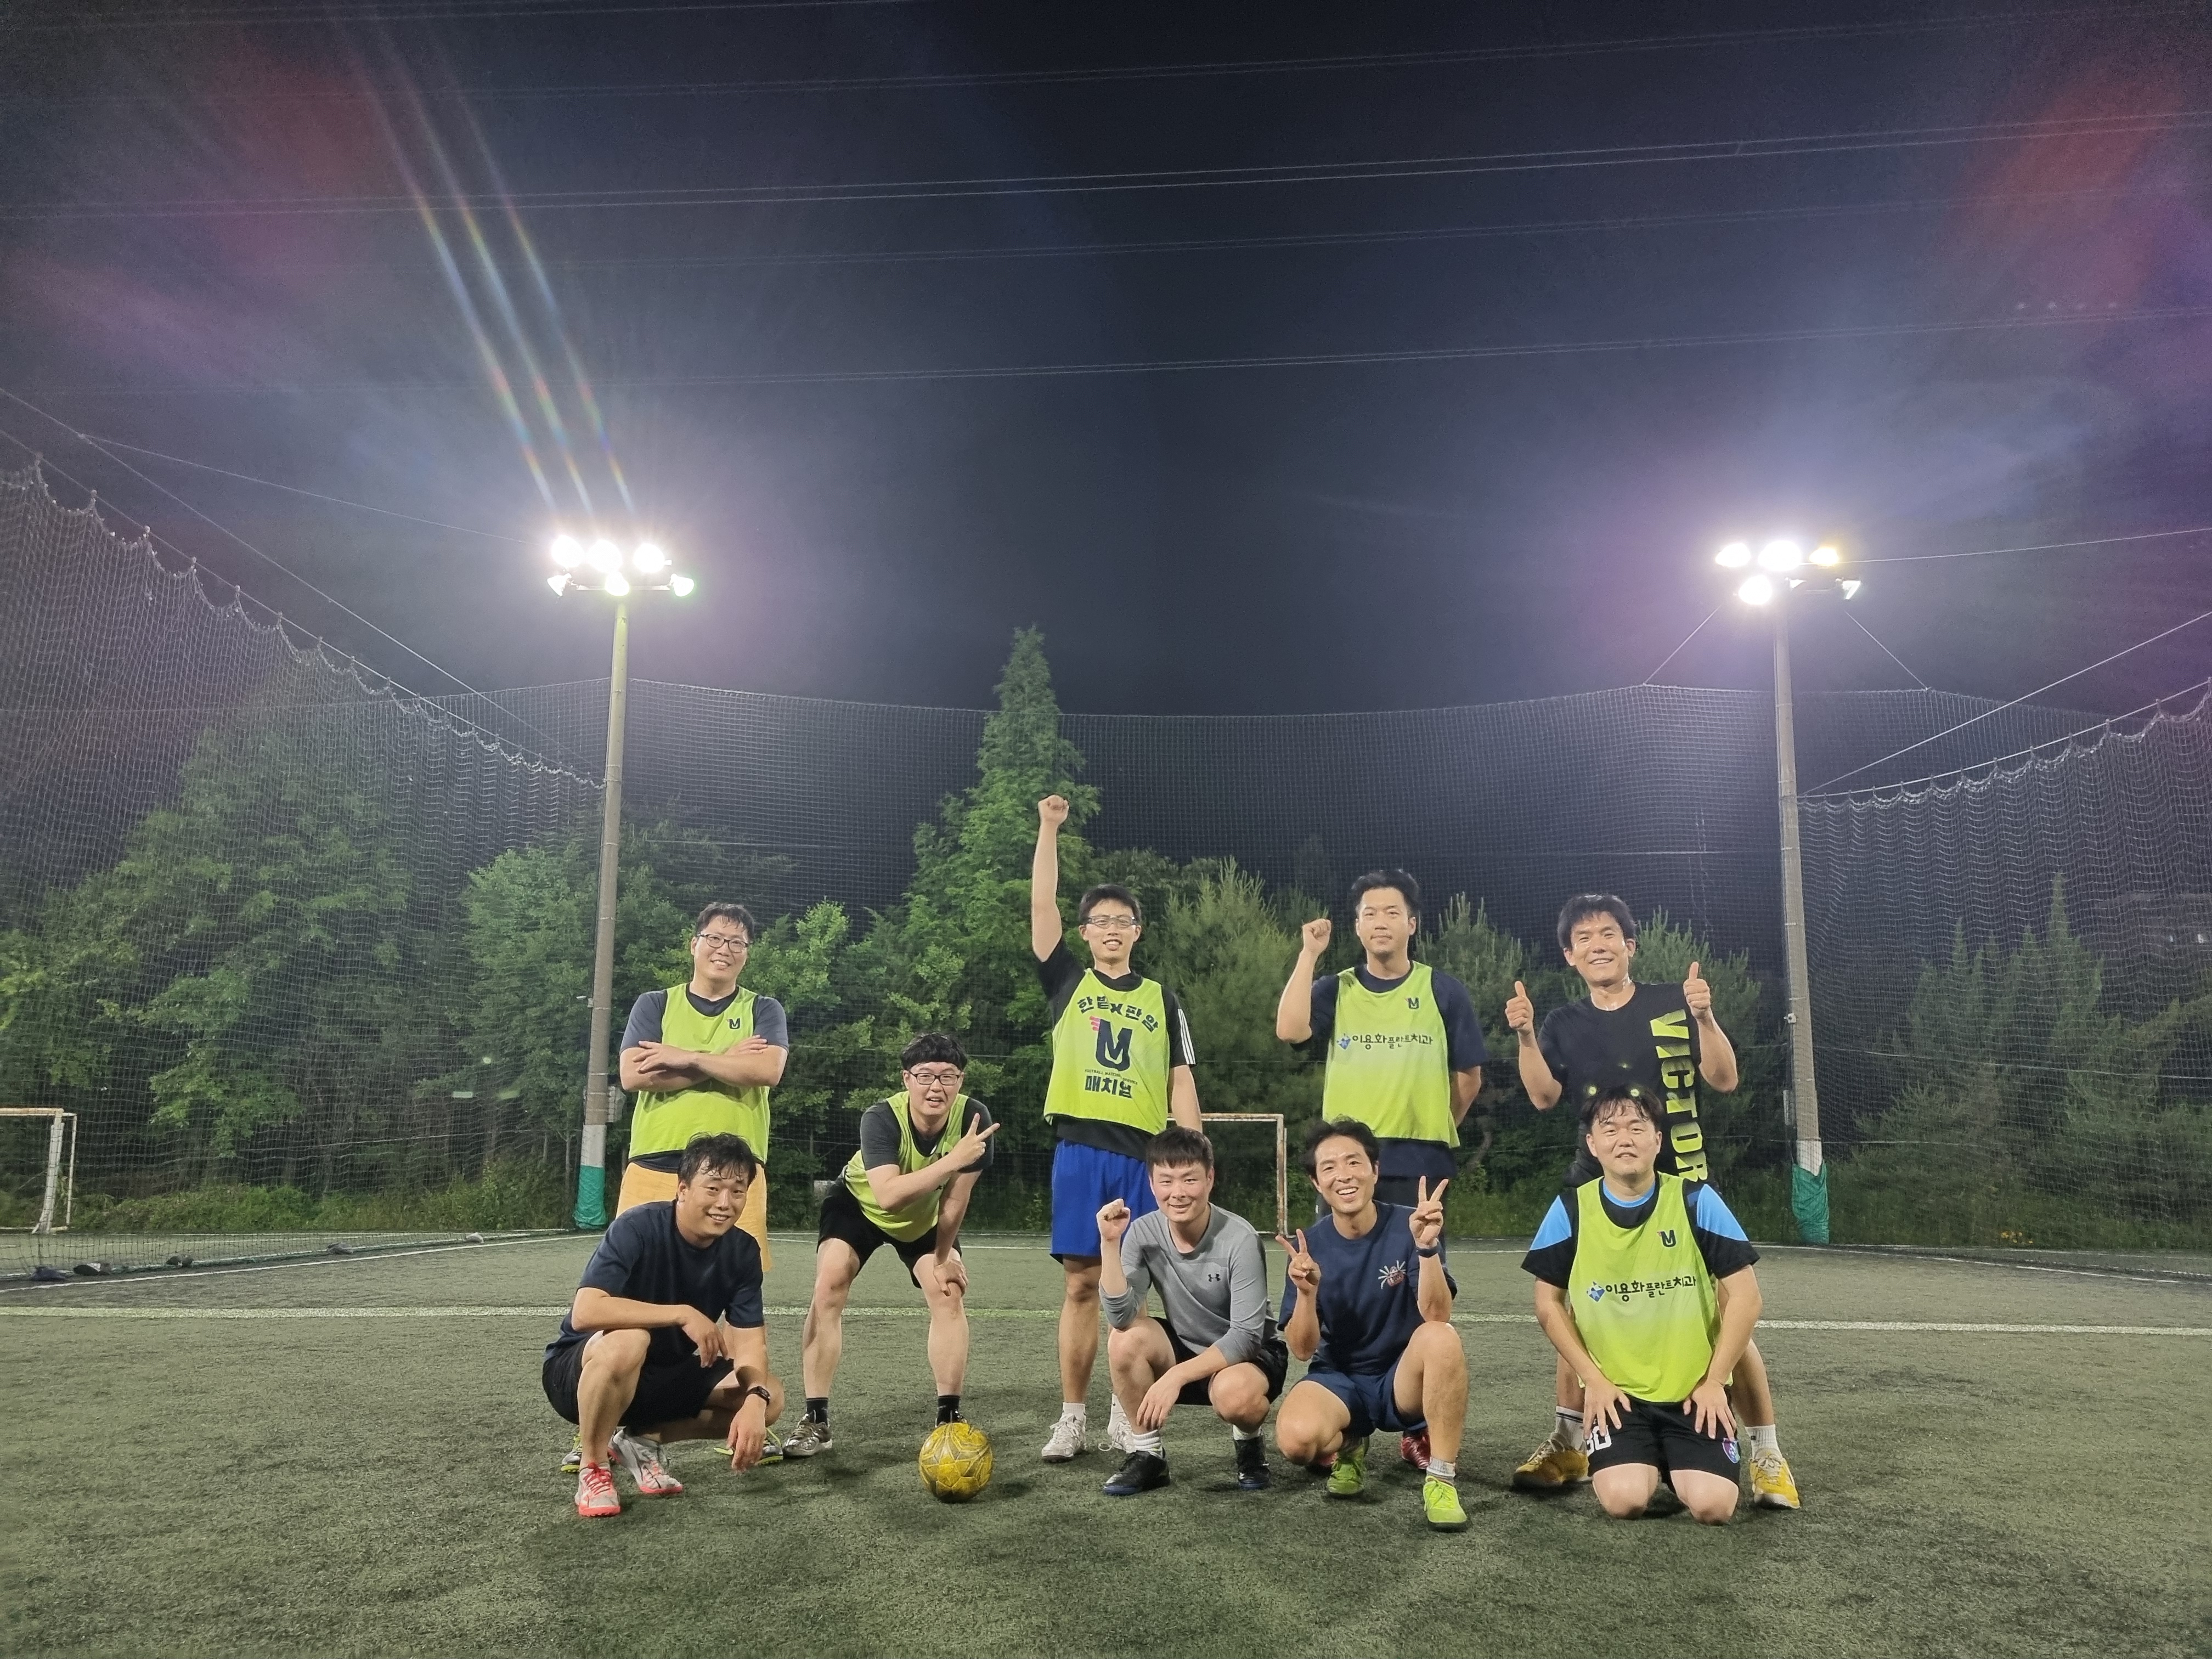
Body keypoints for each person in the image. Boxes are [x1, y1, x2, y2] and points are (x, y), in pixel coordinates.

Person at [1502, 893, 1798, 1509]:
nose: (1598, 945)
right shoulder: (1562, 1022)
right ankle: (1570, 1440)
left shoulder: (1674, 1002)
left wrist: (1706, 1019)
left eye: (1608, 933)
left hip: (1680, 1180)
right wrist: (1526, 1036)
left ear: (1630, 945)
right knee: (1579, 1308)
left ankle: (1767, 1453)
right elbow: (1542, 1097)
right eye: (1584, 938)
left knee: (1727, 1313)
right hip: (1598, 1184)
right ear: (1570, 955)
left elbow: (1725, 1079)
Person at [1274, 866, 1487, 1474]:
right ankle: (1350, 1411)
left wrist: (1435, 1126)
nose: (1381, 922)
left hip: (1420, 1160)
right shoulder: (1337, 987)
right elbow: (1290, 1030)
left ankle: (1418, 1423)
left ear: (1413, 923)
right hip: (1349, 1165)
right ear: (1358, 926)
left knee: (1422, 1292)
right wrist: (1309, 954)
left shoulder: (1442, 990)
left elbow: (1469, 1076)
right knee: (1341, 1284)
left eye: (1393, 911)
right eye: (1369, 913)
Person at [1031, 794, 1203, 1463]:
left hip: (1144, 1160)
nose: (1111, 929)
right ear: (1084, 933)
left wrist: (1195, 1161)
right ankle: (1071, 1417)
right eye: (1099, 921)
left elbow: (1181, 1080)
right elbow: (1042, 906)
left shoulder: (1163, 999)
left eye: (1122, 921)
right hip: (1081, 1151)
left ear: (1138, 932)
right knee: (1081, 1284)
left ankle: (1123, 1414)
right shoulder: (1068, 984)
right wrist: (1049, 829)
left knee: (1135, 1291)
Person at [1520, 1086, 1766, 1525]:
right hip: (1618, 1397)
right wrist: (1594, 1381)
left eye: (1637, 1128)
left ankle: (1687, 1460)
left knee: (1713, 1508)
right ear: (1592, 1144)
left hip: (1693, 1393)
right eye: (1610, 1129)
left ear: (1658, 1139)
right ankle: (1641, 1459)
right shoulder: (1571, 1209)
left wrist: (1714, 1383)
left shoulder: (1696, 1200)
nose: (1624, 1139)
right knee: (1624, 1501)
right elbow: (1548, 1304)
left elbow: (1747, 1297)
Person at [542, 1133, 786, 1519]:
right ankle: (594, 1465)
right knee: (630, 1341)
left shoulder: (742, 1251)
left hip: (660, 1375)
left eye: (738, 1191)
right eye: (713, 1188)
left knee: (771, 1393)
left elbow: (751, 1342)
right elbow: (585, 1312)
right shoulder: (637, 1226)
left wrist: (755, 1400)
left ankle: (640, 1440)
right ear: (683, 1189)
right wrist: (682, 1313)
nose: (725, 1203)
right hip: (581, 1373)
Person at [785, 1033, 997, 1457]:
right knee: (829, 1285)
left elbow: (956, 1200)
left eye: (948, 1077)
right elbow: (888, 1196)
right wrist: (953, 1160)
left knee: (948, 1292)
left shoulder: (974, 1119)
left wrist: (942, 1259)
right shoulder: (881, 1117)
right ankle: (816, 1421)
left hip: (924, 1217)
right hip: (858, 1207)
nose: (936, 1087)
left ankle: (948, 1420)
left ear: (960, 1081)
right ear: (907, 1079)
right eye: (925, 1076)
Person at [1271, 1119, 1471, 1532]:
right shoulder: (1310, 1246)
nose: (1343, 1175)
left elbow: (1437, 1315)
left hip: (1401, 1379)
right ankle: (1350, 1444)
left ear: (1375, 1170)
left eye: (1353, 1162)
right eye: (1329, 1167)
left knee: (1441, 1338)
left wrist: (1427, 1249)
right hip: (1340, 1380)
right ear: (1316, 1182)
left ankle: (1441, 1480)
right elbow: (1303, 1351)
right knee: (1296, 1441)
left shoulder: (1413, 1224)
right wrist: (1306, 1294)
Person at [1095, 1125, 1288, 1496]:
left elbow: (1247, 1337)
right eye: (1166, 1181)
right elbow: (1121, 1317)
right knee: (1124, 1339)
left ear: (1210, 1179)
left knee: (1235, 1397)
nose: (1178, 1192)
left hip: (1250, 1357)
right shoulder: (1143, 1232)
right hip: (1187, 1346)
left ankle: (1249, 1441)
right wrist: (1109, 1243)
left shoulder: (1240, 1238)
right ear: (1152, 1184)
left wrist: (1175, 1377)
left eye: (1189, 1179)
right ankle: (1148, 1455)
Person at [617, 902, 789, 1267]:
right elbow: (634, 1076)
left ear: (747, 954)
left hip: (736, 1168)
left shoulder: (764, 1009)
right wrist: (727, 1059)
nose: (724, 949)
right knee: (636, 1277)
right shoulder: (655, 1004)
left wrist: (685, 1058)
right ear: (694, 944)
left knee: (734, 1281)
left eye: (737, 943)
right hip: (656, 1161)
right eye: (715, 938)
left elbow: (767, 1071)